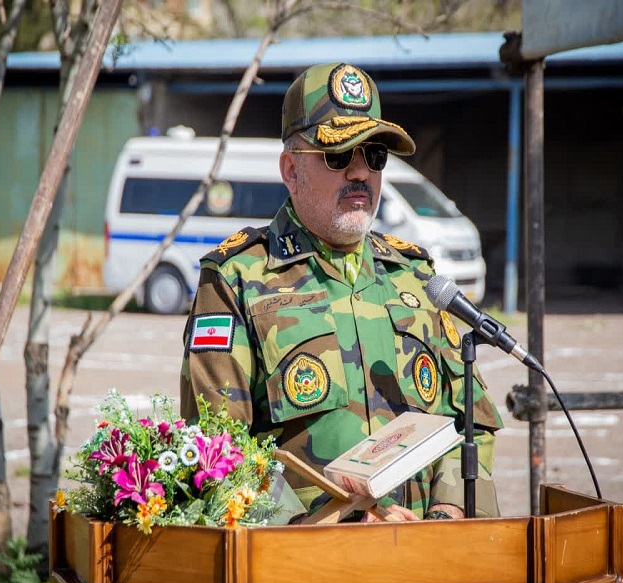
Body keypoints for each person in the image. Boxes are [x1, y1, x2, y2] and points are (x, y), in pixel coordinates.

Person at [180, 62, 503, 522]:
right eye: (338, 155)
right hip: (304, 558)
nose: (360, 172)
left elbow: (471, 421)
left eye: (375, 155)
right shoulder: (236, 280)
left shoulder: (414, 276)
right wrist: (336, 525)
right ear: (291, 170)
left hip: (424, 553)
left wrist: (445, 514)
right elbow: (217, 452)